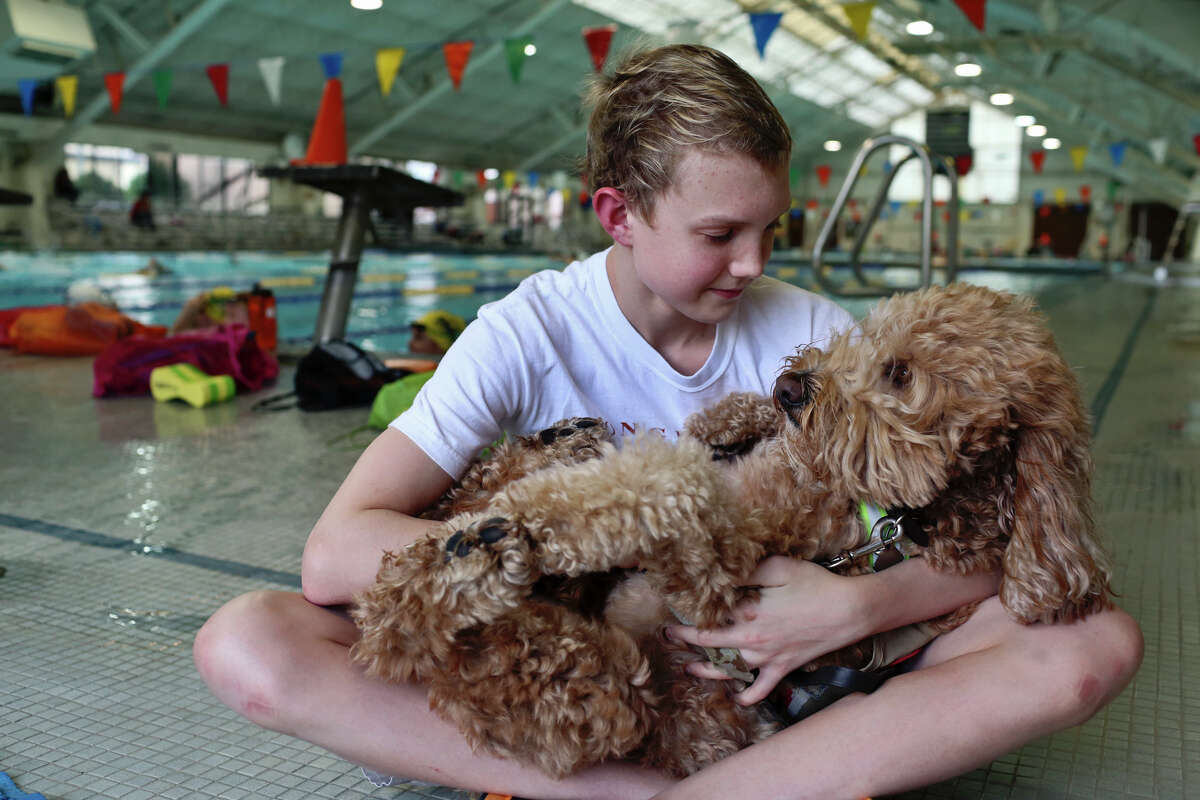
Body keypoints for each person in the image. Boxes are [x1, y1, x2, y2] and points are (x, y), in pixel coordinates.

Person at [193, 44, 1142, 800]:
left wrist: (860, 605)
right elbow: (335, 554)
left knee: (1094, 644)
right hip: (594, 665)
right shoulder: (527, 333)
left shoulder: (810, 331)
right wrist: (594, 552)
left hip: (785, 674)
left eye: (770, 229)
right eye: (720, 235)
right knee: (249, 642)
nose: (751, 262)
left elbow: (997, 538)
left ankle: (738, 776)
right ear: (619, 214)